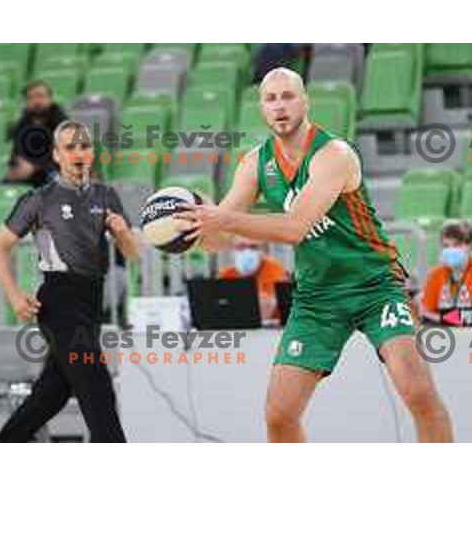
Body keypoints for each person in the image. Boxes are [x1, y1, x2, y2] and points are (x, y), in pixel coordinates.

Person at [177, 67, 453, 443]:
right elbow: (223, 236)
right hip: (317, 296)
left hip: (375, 284)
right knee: (279, 415)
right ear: (261, 108)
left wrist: (222, 218)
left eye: (288, 96)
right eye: (270, 98)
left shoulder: (334, 154)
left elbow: (295, 227)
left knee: (418, 392)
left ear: (305, 101)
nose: (280, 105)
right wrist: (189, 233)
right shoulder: (255, 163)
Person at [0, 120, 141, 442]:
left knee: (51, 395)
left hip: (91, 303)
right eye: (70, 147)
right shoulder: (39, 199)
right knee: (96, 387)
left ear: (92, 153)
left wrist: (124, 234)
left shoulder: (106, 194)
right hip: (58, 303)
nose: (78, 153)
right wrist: (15, 295)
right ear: (57, 155)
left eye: (84, 146)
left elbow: (132, 253)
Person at [5, 81, 68, 187]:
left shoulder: (63, 124)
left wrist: (35, 167)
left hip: (58, 172)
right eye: (31, 98)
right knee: (2, 188)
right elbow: (16, 156)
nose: (37, 102)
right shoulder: (22, 125)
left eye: (41, 96)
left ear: (50, 99)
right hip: (29, 176)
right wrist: (15, 169)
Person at [218, 236, 288, 321]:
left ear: (264, 251)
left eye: (253, 247)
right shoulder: (226, 275)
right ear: (232, 250)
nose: (247, 252)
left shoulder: (277, 271)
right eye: (241, 247)